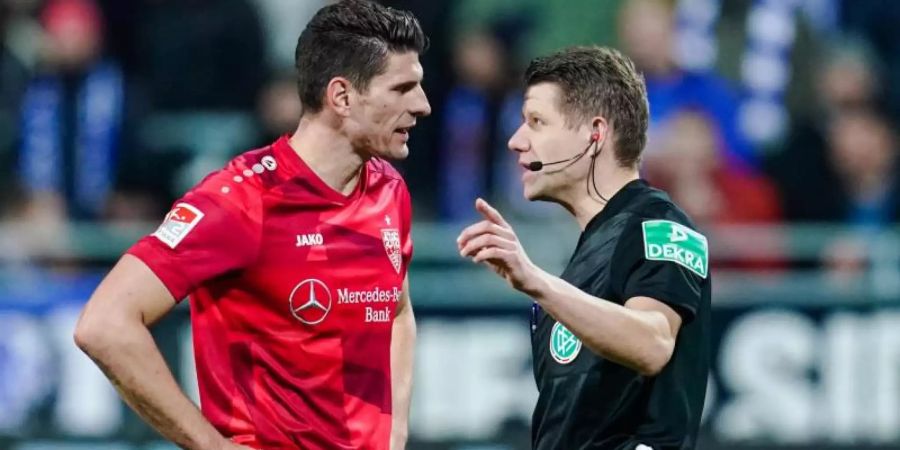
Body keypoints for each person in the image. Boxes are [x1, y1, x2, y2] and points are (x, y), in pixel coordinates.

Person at [73, 1, 431, 449]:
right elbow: (105, 325)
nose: (423, 105)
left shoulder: (388, 189)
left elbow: (397, 311)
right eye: (402, 89)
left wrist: (394, 432)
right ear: (341, 96)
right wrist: (212, 445)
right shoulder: (239, 202)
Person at [457, 46, 711, 449]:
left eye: (536, 122)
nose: (515, 141)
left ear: (595, 135)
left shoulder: (660, 226)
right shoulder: (581, 264)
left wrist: (535, 281)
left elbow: (653, 343)